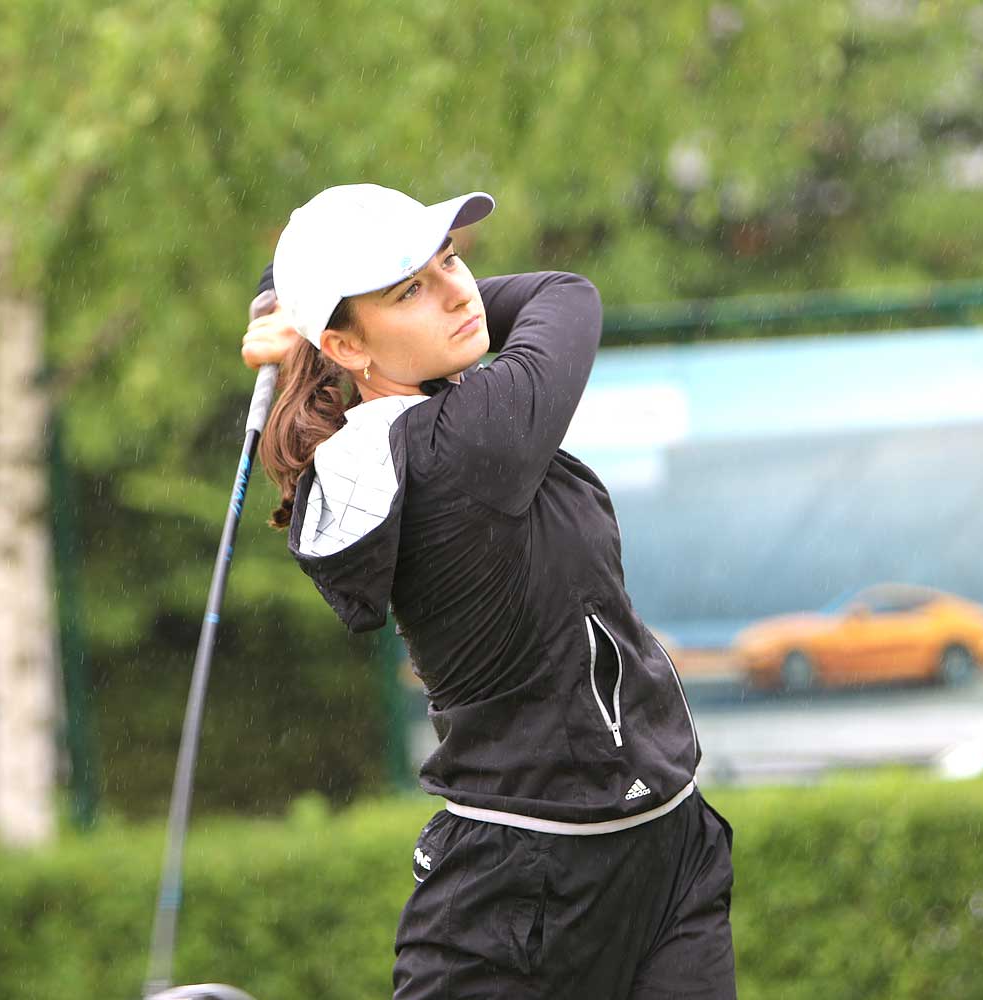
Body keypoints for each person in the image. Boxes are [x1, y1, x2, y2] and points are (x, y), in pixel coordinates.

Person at [241, 184, 736, 999]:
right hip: (525, 885)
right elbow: (563, 296)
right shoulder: (465, 441)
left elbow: (478, 311)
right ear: (348, 346)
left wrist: (317, 334)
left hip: (667, 853)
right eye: (410, 289)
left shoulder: (430, 425)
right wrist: (306, 329)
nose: (456, 293)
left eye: (451, 261)